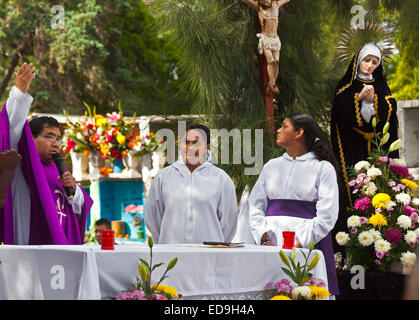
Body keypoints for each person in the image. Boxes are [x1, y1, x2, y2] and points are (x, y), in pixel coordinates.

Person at [0, 62, 93, 245]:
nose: (56, 143)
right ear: (30, 139)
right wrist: (19, 94)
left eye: (58, 139)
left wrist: (75, 190)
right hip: (29, 240)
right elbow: (11, 128)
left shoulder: (59, 169)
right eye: (49, 137)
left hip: (61, 244)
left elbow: (82, 205)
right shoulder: (23, 165)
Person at [248, 113, 339, 296]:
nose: (278, 130)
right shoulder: (271, 166)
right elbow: (255, 205)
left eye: (284, 126)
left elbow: (327, 215)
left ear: (299, 132)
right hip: (270, 244)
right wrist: (263, 236)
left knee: (304, 291)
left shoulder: (322, 168)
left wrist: (301, 242)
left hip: (308, 243)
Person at [330, 43, 399, 253]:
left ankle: (379, 243)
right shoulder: (346, 88)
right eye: (366, 60)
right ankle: (353, 244)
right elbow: (340, 111)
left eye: (374, 62)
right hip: (352, 147)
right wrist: (358, 98)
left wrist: (374, 100)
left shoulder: (381, 87)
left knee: (378, 190)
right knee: (354, 190)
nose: (369, 65)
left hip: (376, 149)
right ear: (358, 60)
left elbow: (390, 109)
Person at [145, 124, 238, 244]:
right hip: (171, 256)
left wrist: (216, 245)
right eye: (186, 142)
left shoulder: (221, 179)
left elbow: (229, 223)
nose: (190, 147)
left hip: (208, 256)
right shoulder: (164, 177)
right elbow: (153, 218)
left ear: (207, 147)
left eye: (196, 143)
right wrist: (165, 244)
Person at [241, 0, 291, 94]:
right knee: (271, 61)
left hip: (275, 38)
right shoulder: (259, 7)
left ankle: (271, 84)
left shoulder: (276, 4)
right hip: (266, 39)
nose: (267, 2)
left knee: (277, 62)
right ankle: (273, 85)